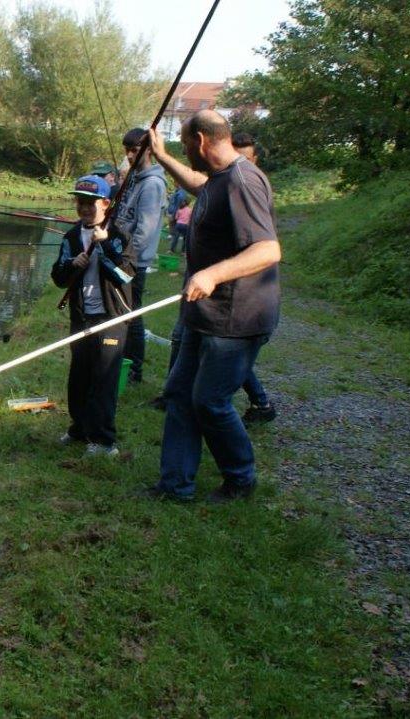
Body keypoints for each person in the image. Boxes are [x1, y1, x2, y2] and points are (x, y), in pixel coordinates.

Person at [144, 110, 282, 503]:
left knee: (209, 401)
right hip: (204, 314)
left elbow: (268, 249)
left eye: (186, 146)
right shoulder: (220, 179)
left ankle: (241, 478)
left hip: (235, 318)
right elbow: (197, 184)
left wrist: (212, 274)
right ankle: (175, 486)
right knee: (180, 394)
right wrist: (164, 156)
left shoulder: (243, 181)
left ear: (202, 142)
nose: (187, 154)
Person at [50, 174, 135, 457]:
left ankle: (104, 441)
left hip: (111, 318)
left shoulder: (119, 234)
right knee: (79, 377)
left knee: (104, 379)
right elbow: (59, 279)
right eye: (80, 202)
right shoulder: (72, 237)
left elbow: (125, 275)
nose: (84, 208)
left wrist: (105, 246)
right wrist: (73, 264)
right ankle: (79, 429)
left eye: (91, 203)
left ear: (106, 203)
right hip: (81, 317)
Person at [112, 127, 168, 387]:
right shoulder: (135, 179)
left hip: (134, 262)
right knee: (122, 311)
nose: (130, 155)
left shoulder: (153, 185)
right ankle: (122, 360)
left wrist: (125, 260)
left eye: (135, 150)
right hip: (121, 257)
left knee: (131, 315)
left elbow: (144, 231)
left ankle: (134, 369)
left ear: (149, 150)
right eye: (127, 150)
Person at [228, 132, 277, 424]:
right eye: (238, 157)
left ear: (254, 159)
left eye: (247, 158)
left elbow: (267, 248)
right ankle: (261, 403)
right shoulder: (229, 183)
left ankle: (261, 403)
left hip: (251, 295)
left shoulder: (252, 185)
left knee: (232, 359)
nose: (242, 164)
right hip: (232, 292)